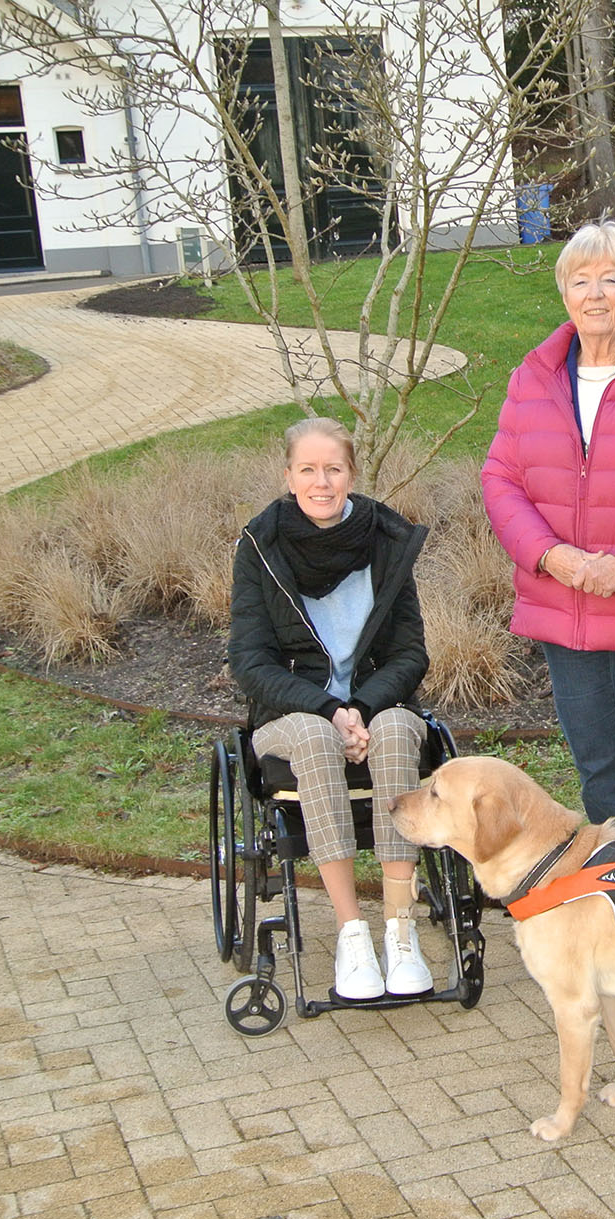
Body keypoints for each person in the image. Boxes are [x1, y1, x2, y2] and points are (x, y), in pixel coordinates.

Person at [482, 221, 615, 838]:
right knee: (598, 771)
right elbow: (500, 479)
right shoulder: (534, 375)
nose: (595, 294)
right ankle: (614, 900)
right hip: (562, 606)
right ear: (564, 294)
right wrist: (550, 557)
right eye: (581, 281)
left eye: (610, 279)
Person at [228, 417, 435, 1002]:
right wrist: (328, 709)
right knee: (318, 741)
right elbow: (250, 661)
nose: (322, 482)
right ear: (288, 475)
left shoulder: (385, 541)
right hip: (292, 717)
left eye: (334, 469)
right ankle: (351, 933)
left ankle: (400, 928)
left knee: (399, 729)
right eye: (308, 470)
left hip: (377, 706)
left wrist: (364, 706)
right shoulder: (260, 547)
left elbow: (409, 652)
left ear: (352, 473)